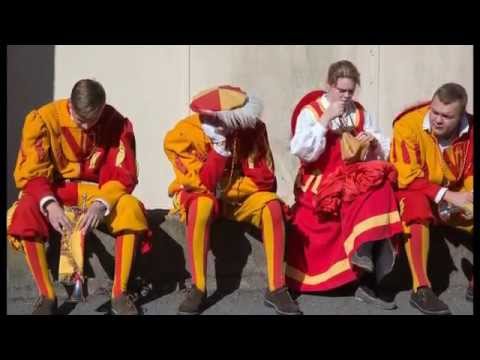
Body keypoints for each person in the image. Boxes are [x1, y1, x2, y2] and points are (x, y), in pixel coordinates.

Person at [7, 79, 149, 315]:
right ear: (70, 106)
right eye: (80, 120)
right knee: (26, 209)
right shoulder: (43, 119)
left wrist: (101, 204)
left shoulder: (115, 121)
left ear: (102, 109)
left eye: (92, 121)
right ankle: (46, 296)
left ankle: (119, 294)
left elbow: (124, 172)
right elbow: (31, 171)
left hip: (97, 191)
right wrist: (50, 204)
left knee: (130, 207)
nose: (85, 128)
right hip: (55, 189)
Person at [164, 85, 302, 315]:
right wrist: (219, 152)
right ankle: (198, 287)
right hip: (208, 197)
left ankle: (276, 288)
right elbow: (199, 184)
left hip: (241, 198)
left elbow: (265, 180)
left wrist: (232, 189)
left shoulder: (253, 129)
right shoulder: (182, 135)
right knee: (201, 205)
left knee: (272, 207)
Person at [286, 60, 403, 310]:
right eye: (342, 90)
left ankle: (366, 264)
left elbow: (380, 146)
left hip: (352, 176)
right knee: (343, 205)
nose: (347, 95)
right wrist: (325, 120)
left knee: (382, 188)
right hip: (321, 179)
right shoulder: (312, 111)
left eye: (351, 91)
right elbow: (303, 152)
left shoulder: (359, 111)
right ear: (329, 86)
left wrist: (371, 142)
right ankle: (354, 268)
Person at [390, 82, 473, 315]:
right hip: (415, 192)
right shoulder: (407, 125)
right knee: (416, 204)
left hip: (453, 196)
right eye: (434, 112)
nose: (438, 119)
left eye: (446, 116)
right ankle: (421, 288)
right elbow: (407, 177)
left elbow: (470, 172)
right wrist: (448, 196)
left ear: (461, 116)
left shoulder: (472, 129)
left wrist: (469, 196)